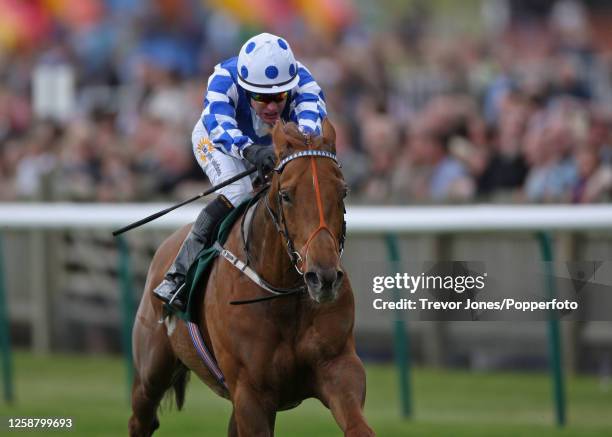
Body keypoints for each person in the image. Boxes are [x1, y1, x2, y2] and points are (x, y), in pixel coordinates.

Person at [154, 32, 327, 310]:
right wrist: (249, 150)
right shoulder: (223, 79)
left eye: (279, 96)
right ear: (247, 88)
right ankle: (178, 275)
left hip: (273, 146)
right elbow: (219, 124)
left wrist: (285, 152)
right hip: (218, 140)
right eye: (261, 97)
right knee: (239, 191)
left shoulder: (304, 83)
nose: (271, 106)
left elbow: (310, 128)